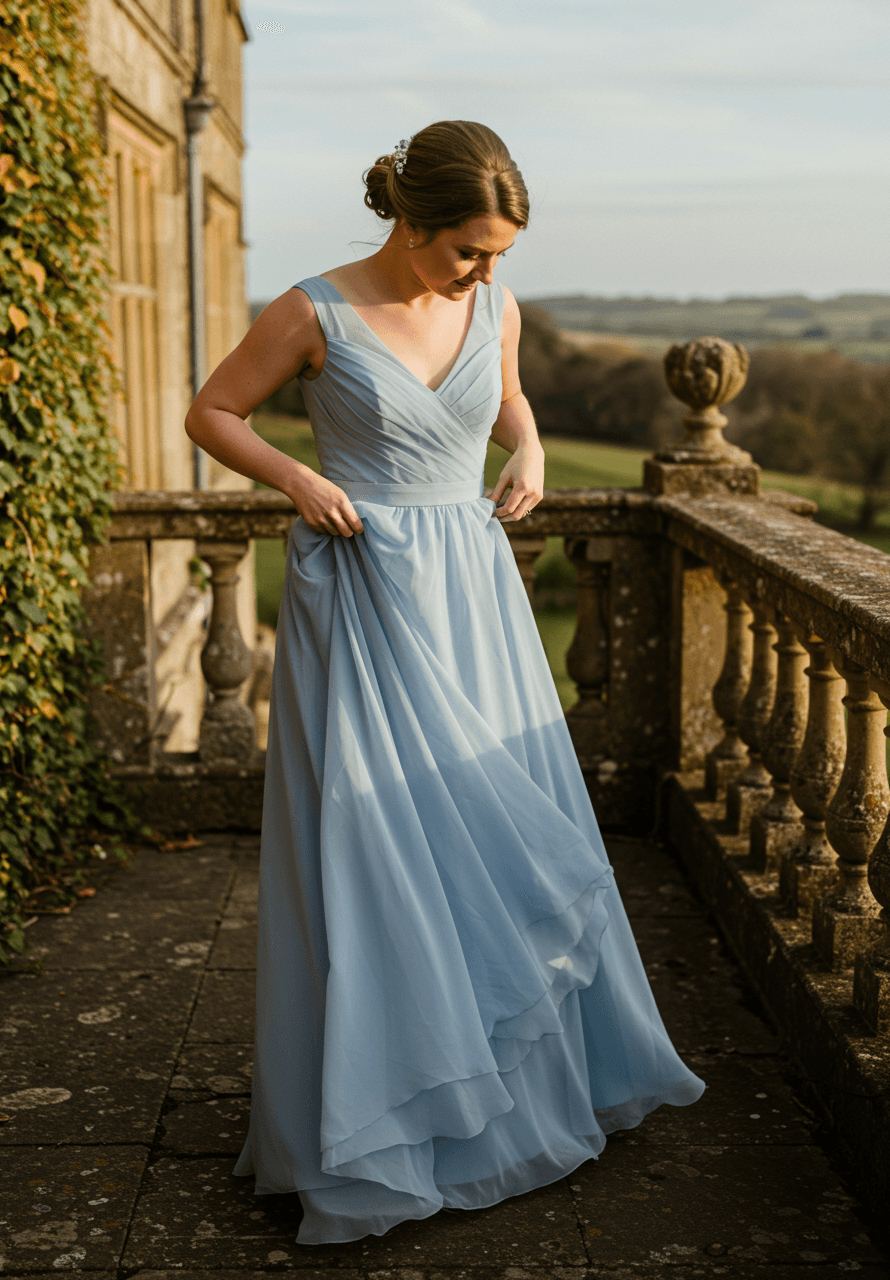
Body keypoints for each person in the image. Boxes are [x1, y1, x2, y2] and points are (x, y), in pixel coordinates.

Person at [185, 119, 704, 1247]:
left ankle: (515, 1105)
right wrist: (295, 478)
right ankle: (390, 1126)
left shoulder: (494, 305)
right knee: (375, 850)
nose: (486, 270)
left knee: (494, 832)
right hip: (363, 594)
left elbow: (502, 399)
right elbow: (211, 411)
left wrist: (526, 447)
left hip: (475, 595)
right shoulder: (309, 310)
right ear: (408, 223)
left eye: (499, 252)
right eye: (468, 249)